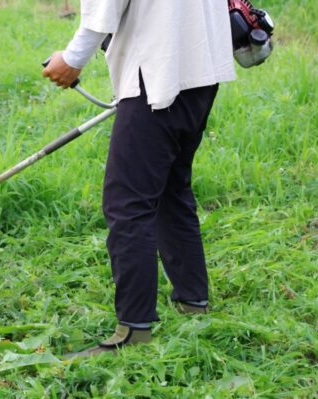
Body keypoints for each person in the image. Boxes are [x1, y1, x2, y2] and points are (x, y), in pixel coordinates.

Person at [43, 0, 236, 356]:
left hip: (158, 71)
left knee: (127, 203)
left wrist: (71, 60)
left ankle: (133, 331)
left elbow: (104, 9)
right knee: (170, 190)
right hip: (201, 63)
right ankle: (194, 302)